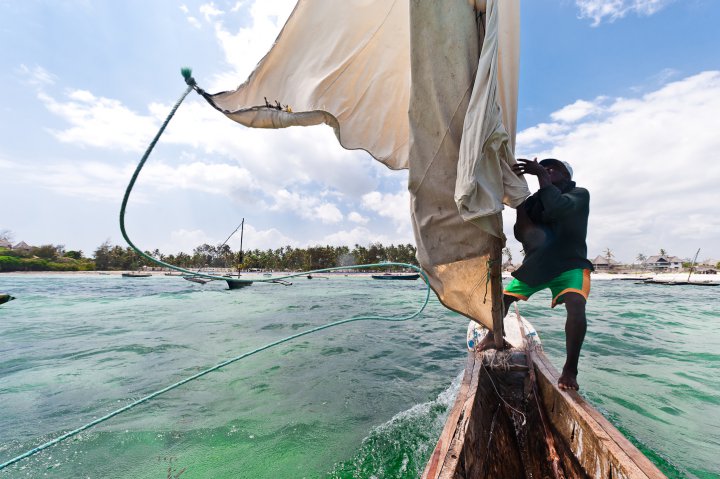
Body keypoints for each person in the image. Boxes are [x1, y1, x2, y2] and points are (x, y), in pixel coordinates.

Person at [479, 157, 593, 391]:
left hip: (570, 262)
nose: (549, 170)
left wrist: (541, 174)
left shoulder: (579, 194)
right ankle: (493, 334)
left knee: (575, 304)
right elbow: (523, 234)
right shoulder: (536, 200)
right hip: (539, 263)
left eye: (555, 169)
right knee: (503, 298)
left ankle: (570, 369)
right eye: (546, 167)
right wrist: (521, 202)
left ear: (567, 176)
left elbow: (557, 208)